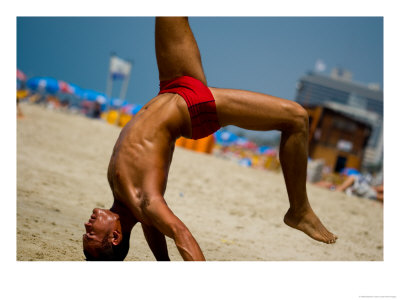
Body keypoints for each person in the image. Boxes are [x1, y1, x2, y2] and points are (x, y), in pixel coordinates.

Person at [83, 17, 337, 261]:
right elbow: (181, 236)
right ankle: (299, 211)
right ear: (115, 236)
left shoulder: (127, 199)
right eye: (91, 234)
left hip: (173, 85)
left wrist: (163, 264)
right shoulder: (145, 201)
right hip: (195, 108)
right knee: (296, 118)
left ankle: (300, 210)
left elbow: (152, 225)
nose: (87, 225)